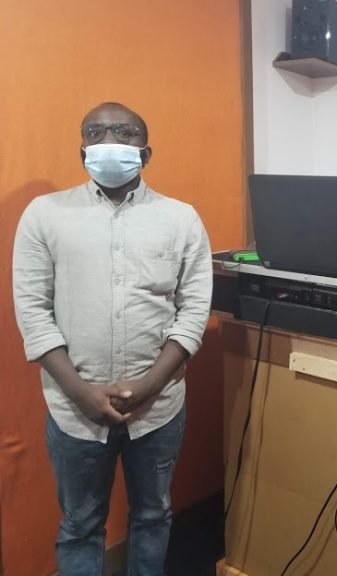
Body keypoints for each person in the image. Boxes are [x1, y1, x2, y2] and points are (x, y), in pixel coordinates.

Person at [12, 102, 212, 575]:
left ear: (146, 151)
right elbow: (33, 312)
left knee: (153, 514)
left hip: (158, 409)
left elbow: (193, 310)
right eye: (96, 131)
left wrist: (150, 385)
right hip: (74, 411)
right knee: (80, 525)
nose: (109, 140)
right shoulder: (45, 215)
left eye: (123, 131)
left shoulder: (181, 218)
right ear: (82, 149)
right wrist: (81, 393)